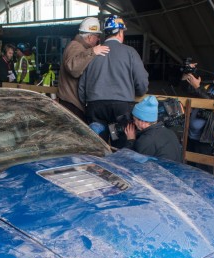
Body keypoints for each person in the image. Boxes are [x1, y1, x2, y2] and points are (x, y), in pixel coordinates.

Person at [78, 15, 149, 146]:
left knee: (98, 146)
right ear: (120, 32)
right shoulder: (130, 52)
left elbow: (82, 86)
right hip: (121, 107)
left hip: (95, 106)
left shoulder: (93, 53)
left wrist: (87, 102)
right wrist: (139, 92)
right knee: (121, 146)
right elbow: (142, 82)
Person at [58, 17, 110, 121]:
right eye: (97, 36)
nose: (98, 39)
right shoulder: (75, 46)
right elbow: (73, 68)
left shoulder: (80, 47)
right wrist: (93, 52)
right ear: (90, 37)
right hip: (72, 104)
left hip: (73, 103)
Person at [124, 96, 182, 162]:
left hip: (161, 172)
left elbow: (131, 164)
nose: (134, 123)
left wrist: (131, 140)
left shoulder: (146, 140)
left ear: (142, 122)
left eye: (134, 120)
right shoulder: (170, 132)